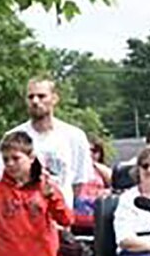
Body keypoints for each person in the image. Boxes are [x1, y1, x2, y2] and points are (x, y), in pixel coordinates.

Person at [6, 78, 97, 207]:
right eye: (31, 97)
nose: (35, 101)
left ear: (54, 99)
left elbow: (78, 182)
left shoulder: (75, 136)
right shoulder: (12, 137)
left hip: (60, 213)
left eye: (41, 96)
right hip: (24, 213)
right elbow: (6, 182)